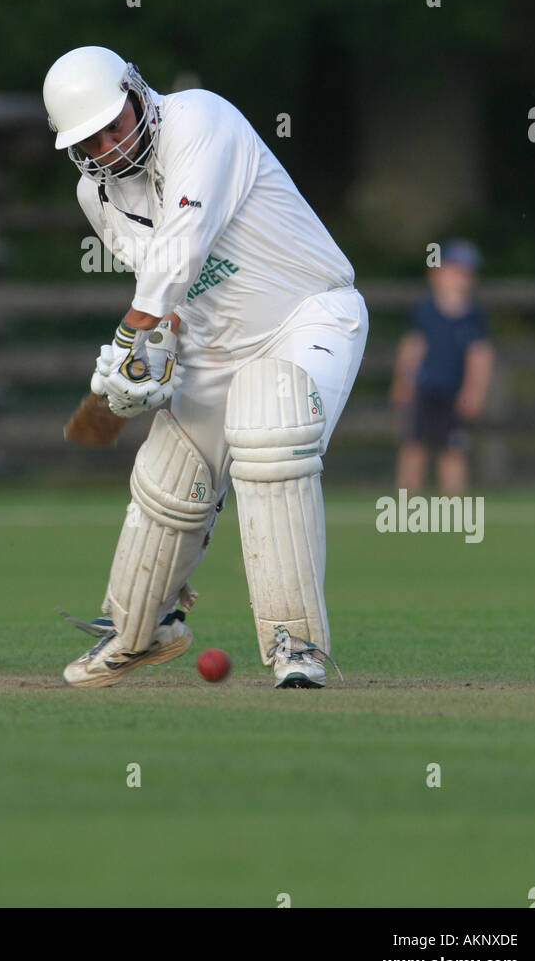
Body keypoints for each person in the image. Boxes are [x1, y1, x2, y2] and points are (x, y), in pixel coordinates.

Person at [43, 46, 368, 689]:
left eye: (116, 123)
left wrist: (132, 333)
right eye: (93, 140)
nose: (111, 144)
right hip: (214, 346)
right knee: (170, 478)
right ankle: (141, 631)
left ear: (138, 94)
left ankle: (295, 645)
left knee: (270, 424)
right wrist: (146, 362)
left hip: (307, 315)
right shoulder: (96, 194)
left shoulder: (200, 120)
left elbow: (181, 250)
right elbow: (162, 289)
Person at [391, 241, 494, 496]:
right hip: (423, 389)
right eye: (454, 271)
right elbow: (413, 347)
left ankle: (453, 504)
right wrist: (402, 381)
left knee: (453, 450)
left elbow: (480, 356)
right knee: (413, 446)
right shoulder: (425, 311)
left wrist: (475, 390)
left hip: (454, 392)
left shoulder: (474, 316)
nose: (460, 279)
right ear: (436, 273)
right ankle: (406, 502)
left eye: (466, 273)